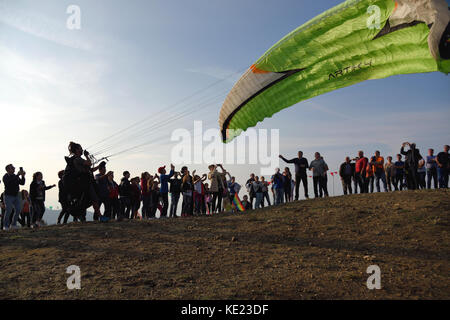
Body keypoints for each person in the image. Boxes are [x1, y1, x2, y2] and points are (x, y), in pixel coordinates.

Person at [63, 142, 102, 221]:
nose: (82, 149)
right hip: (84, 183)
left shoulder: (75, 159)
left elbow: (89, 169)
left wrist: (99, 166)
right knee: (93, 198)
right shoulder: (77, 159)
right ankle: (100, 216)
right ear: (77, 150)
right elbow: (89, 163)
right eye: (80, 148)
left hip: (81, 183)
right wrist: (87, 155)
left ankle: (82, 216)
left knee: (87, 199)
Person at [2, 164, 26, 230]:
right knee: (9, 210)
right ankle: (6, 225)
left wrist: (23, 176)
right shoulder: (5, 176)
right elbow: (9, 183)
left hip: (16, 195)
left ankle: (13, 224)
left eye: (13, 167)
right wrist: (17, 175)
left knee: (18, 209)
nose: (14, 169)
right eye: (12, 168)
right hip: (8, 195)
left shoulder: (15, 176)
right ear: (8, 170)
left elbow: (22, 183)